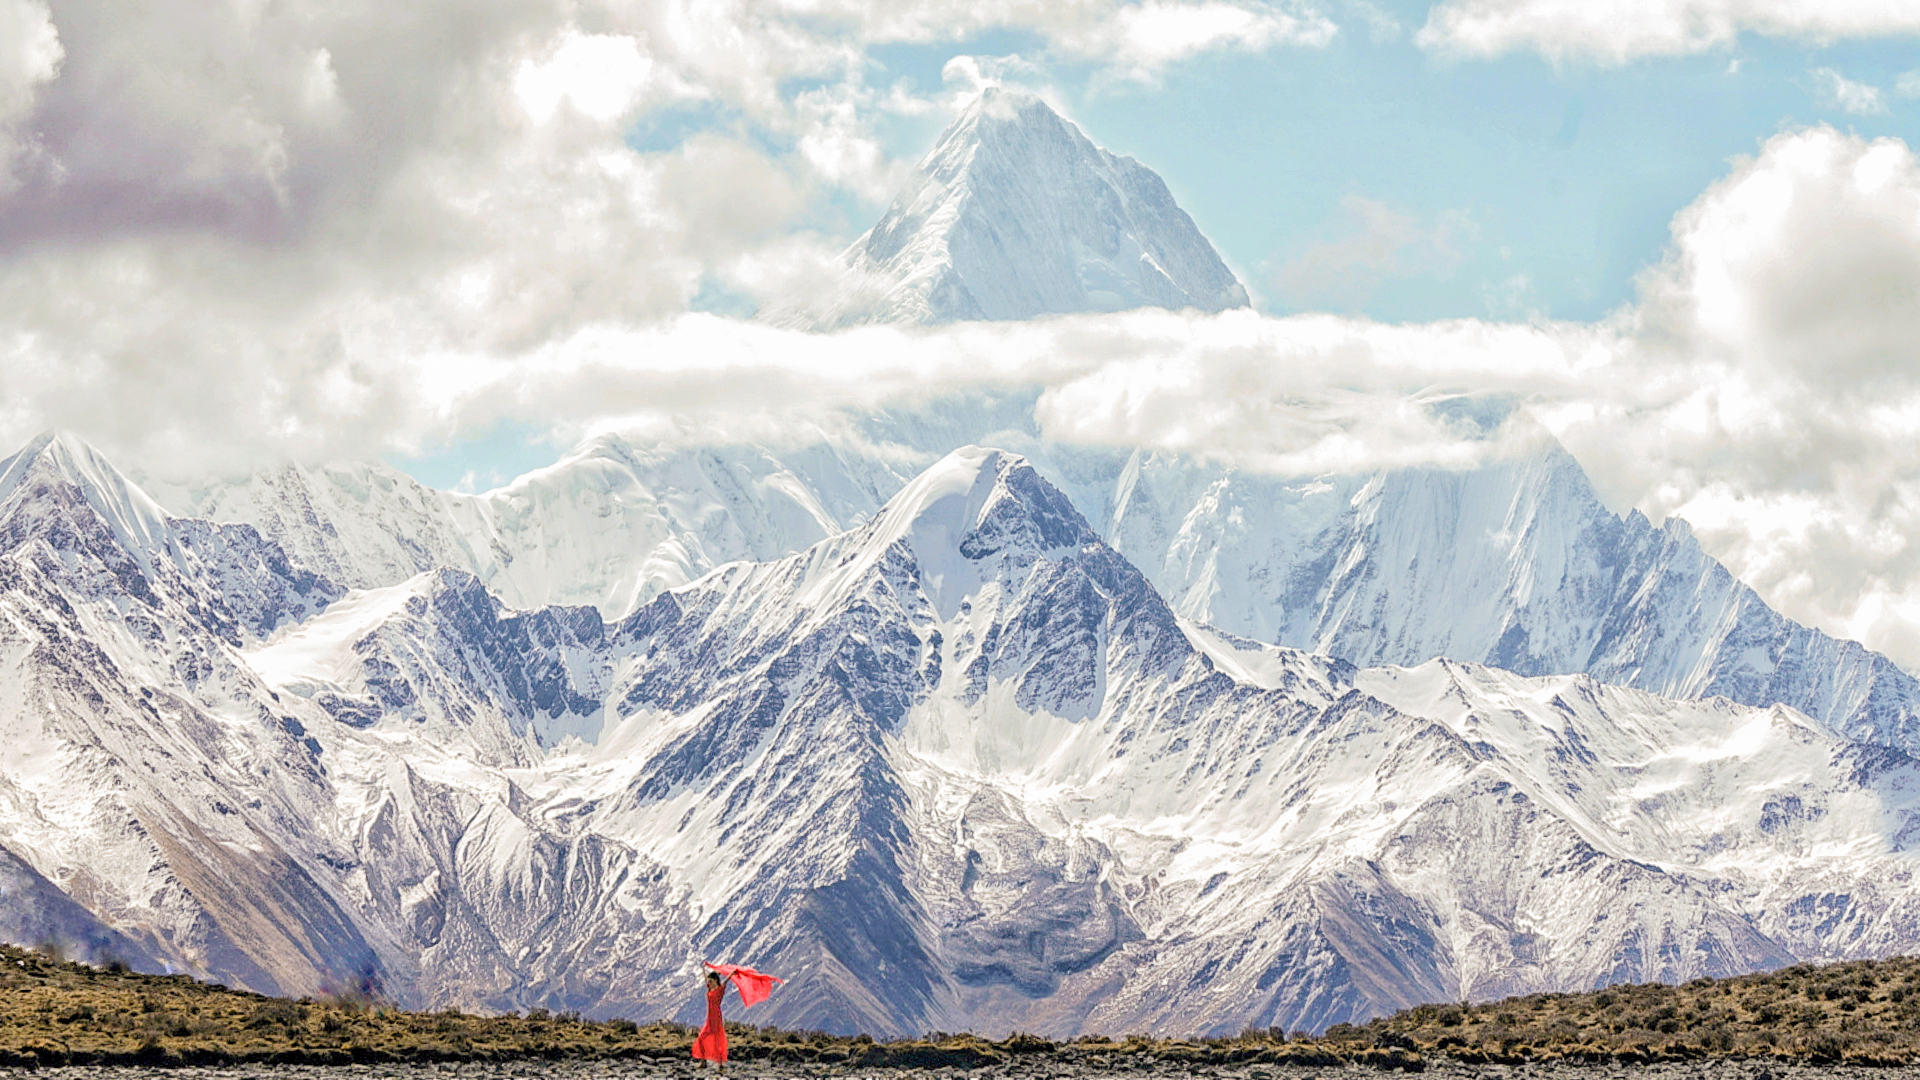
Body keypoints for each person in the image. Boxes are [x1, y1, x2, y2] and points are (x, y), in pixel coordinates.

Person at [693, 968, 732, 1071]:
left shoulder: (719, 990)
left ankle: (720, 1064)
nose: (709, 983)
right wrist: (703, 969)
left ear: (715, 981)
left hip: (716, 1017)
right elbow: (706, 979)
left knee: (718, 1039)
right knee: (702, 1037)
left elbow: (726, 980)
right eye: (709, 981)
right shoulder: (710, 989)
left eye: (711, 981)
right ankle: (704, 1062)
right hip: (710, 1017)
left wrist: (732, 973)